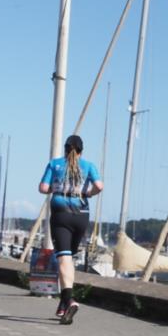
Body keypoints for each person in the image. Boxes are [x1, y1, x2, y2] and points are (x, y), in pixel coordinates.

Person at [38, 135, 103, 324]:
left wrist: (56, 189)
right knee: (68, 258)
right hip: (81, 215)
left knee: (64, 258)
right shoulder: (89, 165)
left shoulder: (55, 164)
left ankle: (69, 300)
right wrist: (87, 193)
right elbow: (99, 186)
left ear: (65, 149)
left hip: (61, 215)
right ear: (82, 150)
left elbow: (42, 188)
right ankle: (63, 303)